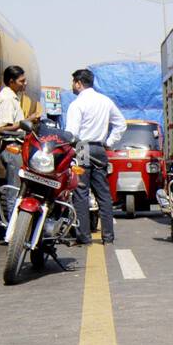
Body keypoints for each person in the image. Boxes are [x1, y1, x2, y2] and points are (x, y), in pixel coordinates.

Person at [64, 68, 126, 244]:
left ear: (78, 83)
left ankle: (84, 236)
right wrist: (109, 142)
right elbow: (121, 124)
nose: (72, 87)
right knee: (103, 194)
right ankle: (108, 236)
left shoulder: (77, 104)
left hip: (82, 148)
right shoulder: (105, 101)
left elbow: (72, 133)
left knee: (81, 192)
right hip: (99, 149)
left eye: (73, 83)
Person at [0, 65, 27, 196]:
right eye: (21, 81)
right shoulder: (7, 99)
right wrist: (26, 122)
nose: (25, 84)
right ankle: (12, 216)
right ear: (11, 82)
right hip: (11, 148)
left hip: (15, 147)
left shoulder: (12, 97)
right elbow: (2, 128)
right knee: (14, 190)